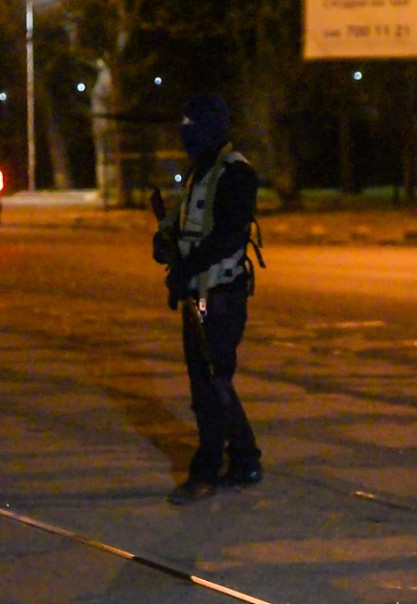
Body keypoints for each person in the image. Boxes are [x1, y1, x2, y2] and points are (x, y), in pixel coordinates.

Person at [152, 93, 263, 505]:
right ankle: (245, 459)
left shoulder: (236, 173)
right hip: (198, 296)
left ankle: (208, 469)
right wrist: (166, 242)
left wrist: (186, 268)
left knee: (211, 385)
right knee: (211, 382)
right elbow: (189, 225)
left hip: (219, 298)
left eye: (191, 126)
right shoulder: (202, 170)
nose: (185, 134)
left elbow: (228, 236)